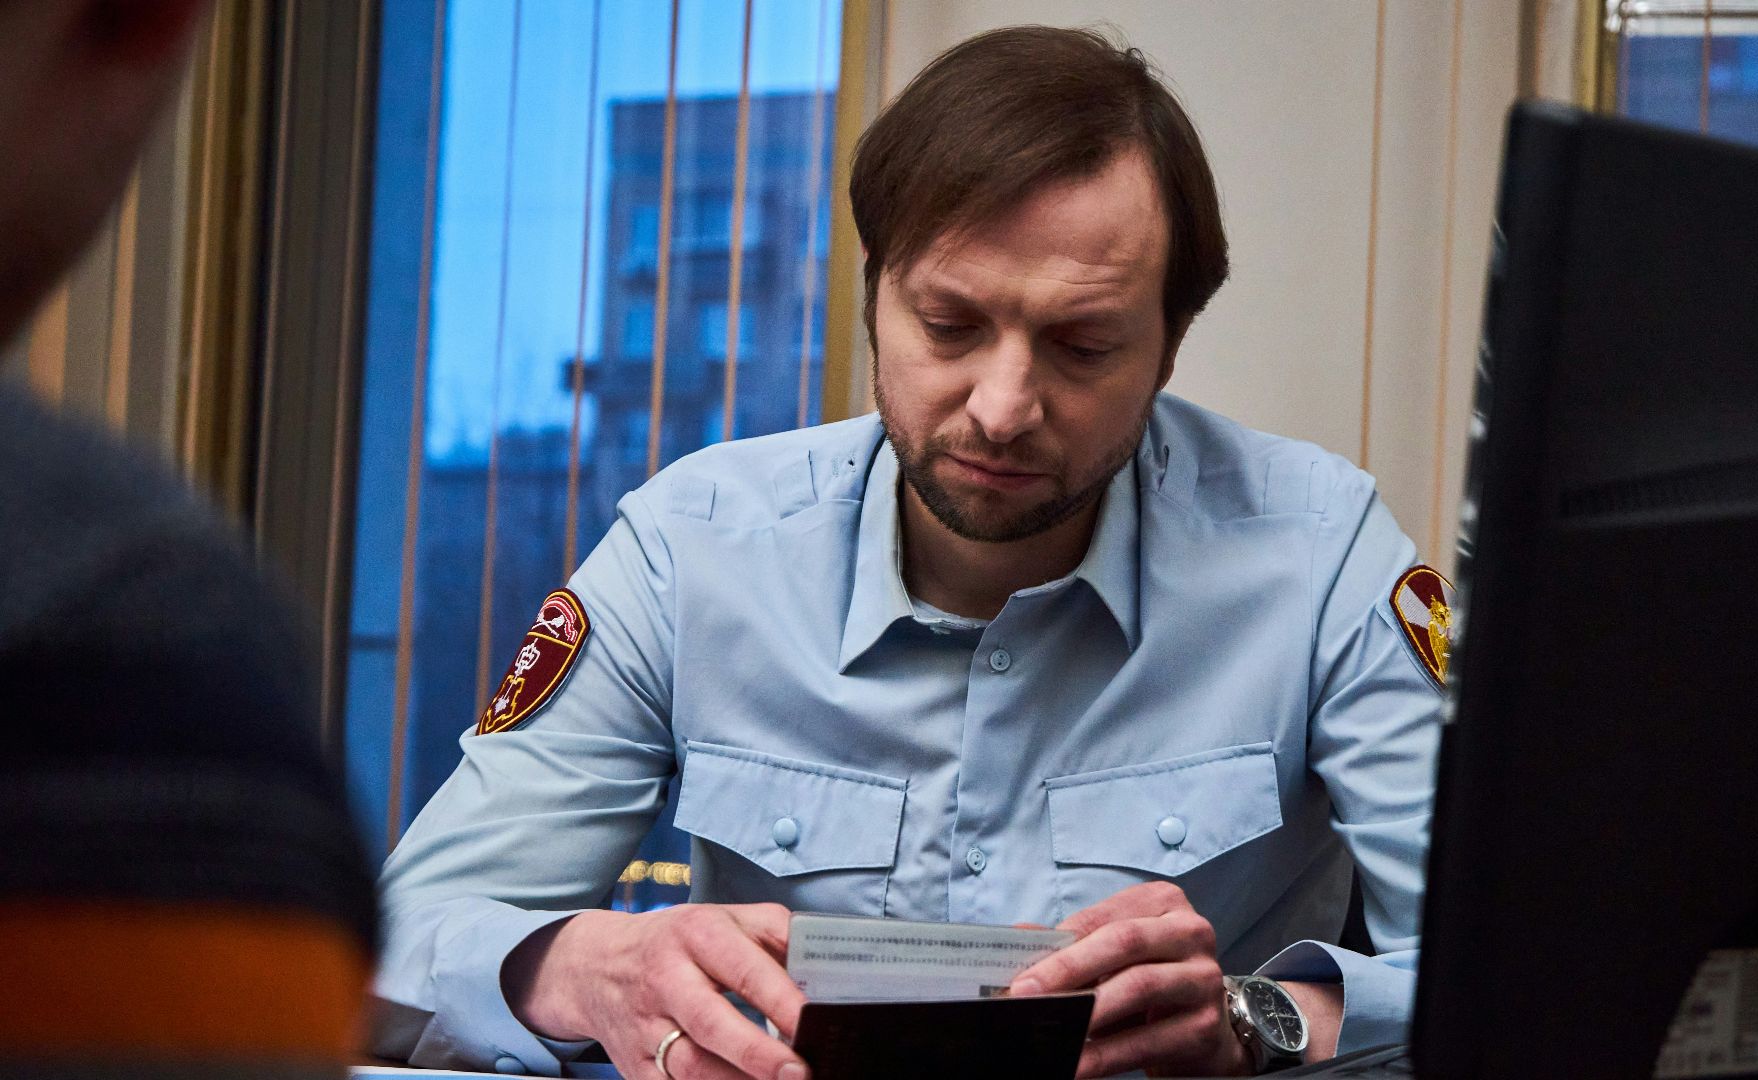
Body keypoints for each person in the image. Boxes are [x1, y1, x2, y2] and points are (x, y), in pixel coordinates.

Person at [374, 26, 1444, 1079]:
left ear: (1169, 346)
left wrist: (1254, 1017)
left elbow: (1528, 984)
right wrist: (586, 969)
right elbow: (383, 954)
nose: (1003, 406)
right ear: (873, 297)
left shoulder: (1318, 556)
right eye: (948, 324)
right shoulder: (691, 548)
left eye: (1081, 345)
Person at [0, 1, 377, 1076]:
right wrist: (557, 955)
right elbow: (447, 909)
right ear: (150, 21)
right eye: (910, 320)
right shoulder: (106, 640)